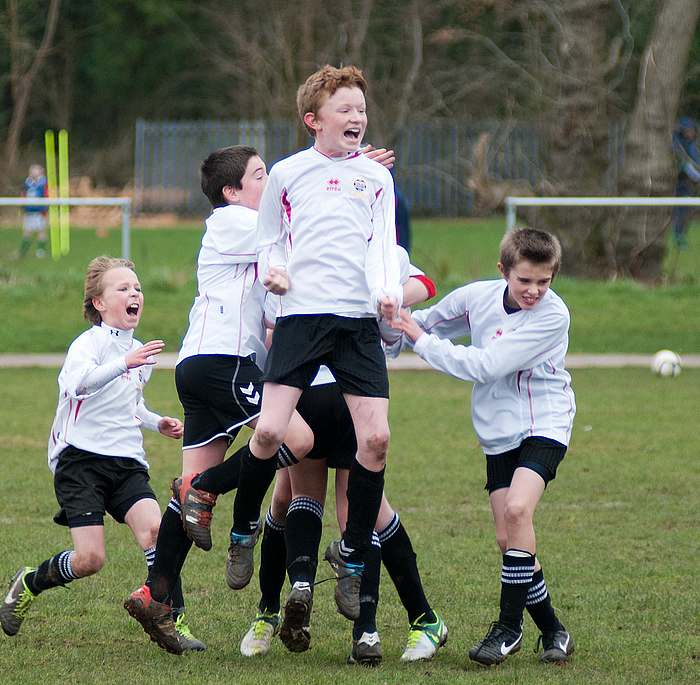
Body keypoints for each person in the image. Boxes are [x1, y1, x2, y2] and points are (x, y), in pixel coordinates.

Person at [123, 145, 316, 655]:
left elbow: (278, 292)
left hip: (202, 366)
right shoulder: (231, 221)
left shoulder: (249, 235)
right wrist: (337, 177)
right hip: (223, 363)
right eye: (260, 174)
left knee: (185, 491)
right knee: (297, 437)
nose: (269, 180)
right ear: (232, 192)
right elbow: (294, 238)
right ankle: (210, 490)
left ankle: (156, 594)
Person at [239, 64, 402, 627]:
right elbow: (267, 240)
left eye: (361, 109)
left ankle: (353, 561)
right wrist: (275, 273)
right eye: (345, 110)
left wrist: (387, 292)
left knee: (376, 440)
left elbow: (385, 242)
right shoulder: (287, 174)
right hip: (303, 320)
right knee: (267, 431)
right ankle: (242, 530)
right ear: (314, 120)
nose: (357, 118)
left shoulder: (377, 179)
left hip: (357, 326)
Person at [239, 252, 447, 666]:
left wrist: (389, 301)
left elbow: (424, 283)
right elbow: (263, 313)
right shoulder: (290, 244)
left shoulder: (372, 246)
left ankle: (373, 629)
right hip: (302, 393)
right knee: (290, 498)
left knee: (358, 511)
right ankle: (274, 609)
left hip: (354, 394)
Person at [390, 226, 576, 666]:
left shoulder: (553, 316)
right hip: (497, 431)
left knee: (517, 512)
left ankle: (507, 630)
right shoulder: (477, 296)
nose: (534, 291)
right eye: (524, 280)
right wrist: (385, 329)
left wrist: (418, 339)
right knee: (507, 537)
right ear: (503, 271)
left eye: (544, 282)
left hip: (544, 422)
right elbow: (426, 320)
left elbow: (486, 366)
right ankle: (553, 630)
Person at [0, 256, 205, 651]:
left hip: (126, 461)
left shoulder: (139, 353)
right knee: (90, 560)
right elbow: (80, 386)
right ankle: (30, 581)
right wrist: (122, 362)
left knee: (157, 534)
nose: (134, 294)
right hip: (80, 462)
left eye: (138, 288)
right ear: (99, 303)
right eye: (123, 288)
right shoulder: (89, 344)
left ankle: (172, 621)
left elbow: (127, 402)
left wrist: (155, 421)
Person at [671, 117, 700, 250]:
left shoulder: (691, 145)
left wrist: (696, 173)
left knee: (686, 211)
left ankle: (681, 237)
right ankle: (678, 239)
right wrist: (686, 167)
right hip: (677, 183)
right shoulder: (676, 144)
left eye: (691, 131)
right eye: (686, 131)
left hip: (689, 185)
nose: (689, 134)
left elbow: (696, 165)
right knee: (679, 210)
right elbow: (677, 163)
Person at [15, 164, 49, 258]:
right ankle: (22, 251)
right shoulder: (27, 183)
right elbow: (24, 194)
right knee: (27, 231)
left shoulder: (43, 182)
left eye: (36, 170)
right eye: (32, 170)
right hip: (29, 211)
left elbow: (47, 194)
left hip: (40, 211)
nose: (33, 172)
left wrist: (46, 208)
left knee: (41, 230)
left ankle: (41, 251)